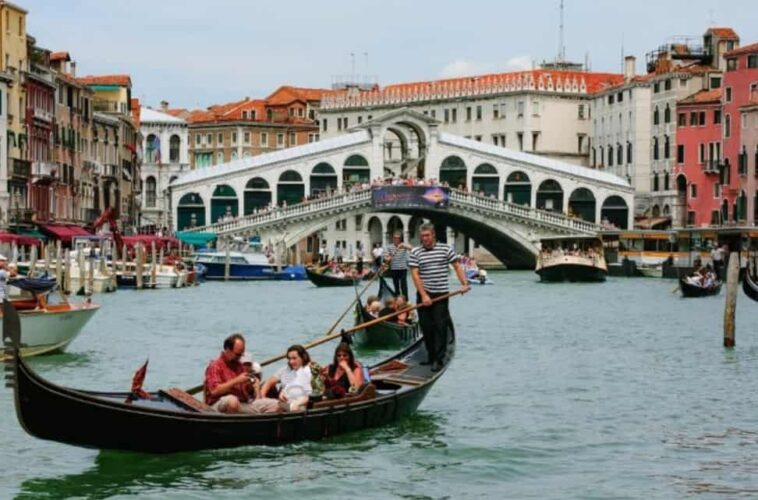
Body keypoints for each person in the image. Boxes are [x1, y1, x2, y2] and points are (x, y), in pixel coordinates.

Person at [408, 224, 470, 372]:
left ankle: (438, 359)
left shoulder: (445, 249)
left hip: (441, 294)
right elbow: (415, 275)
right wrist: (423, 295)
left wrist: (464, 284)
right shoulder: (416, 252)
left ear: (433, 235)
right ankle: (431, 356)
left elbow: (456, 266)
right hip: (424, 294)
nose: (425, 239)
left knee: (440, 327)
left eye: (427, 236)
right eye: (422, 236)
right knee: (426, 327)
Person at [204, 334, 258, 413]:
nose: (239, 357)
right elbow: (215, 391)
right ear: (227, 350)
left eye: (241, 355)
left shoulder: (240, 366)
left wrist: (250, 386)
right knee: (232, 401)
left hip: (242, 403)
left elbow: (247, 393)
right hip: (218, 405)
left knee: (273, 405)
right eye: (237, 354)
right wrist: (237, 381)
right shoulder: (215, 366)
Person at [260, 344, 313, 412]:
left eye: (294, 358)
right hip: (283, 402)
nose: (291, 362)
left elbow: (309, 395)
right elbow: (269, 382)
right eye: (289, 359)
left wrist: (296, 403)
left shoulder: (309, 371)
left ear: (303, 357)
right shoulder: (285, 370)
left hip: (297, 406)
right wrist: (263, 397)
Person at [385, 232, 412, 298]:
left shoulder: (403, 245)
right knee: (396, 286)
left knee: (404, 286)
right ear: (393, 239)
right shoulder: (389, 247)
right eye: (395, 238)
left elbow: (412, 248)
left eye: (398, 238)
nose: (396, 239)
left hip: (403, 268)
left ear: (400, 239)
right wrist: (388, 258)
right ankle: (397, 299)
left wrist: (403, 245)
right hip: (394, 268)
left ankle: (406, 300)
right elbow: (386, 257)